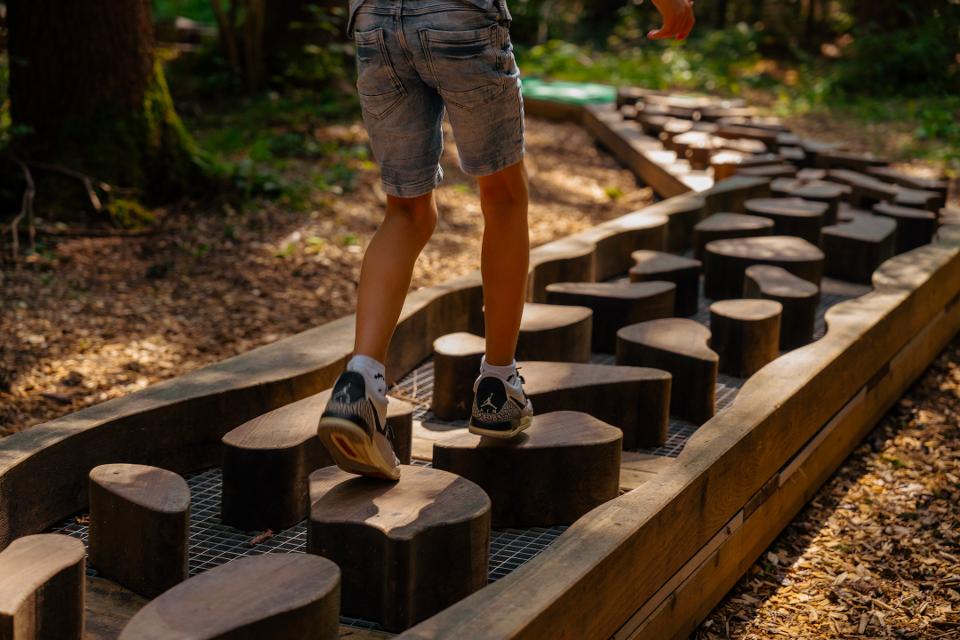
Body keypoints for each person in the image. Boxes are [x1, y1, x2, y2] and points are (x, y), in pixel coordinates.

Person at [317, 0, 695, 480]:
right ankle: (498, 386)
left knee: (407, 211)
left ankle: (359, 384)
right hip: (459, 16)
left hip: (374, 21)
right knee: (504, 200)